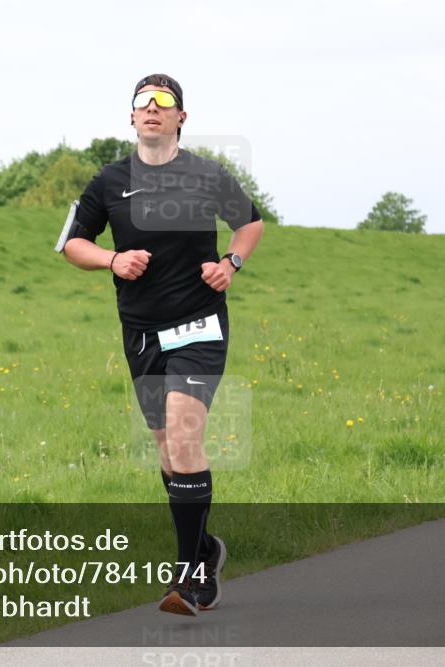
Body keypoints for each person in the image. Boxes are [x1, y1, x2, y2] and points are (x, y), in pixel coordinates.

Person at [63, 74, 264, 616]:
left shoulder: (206, 174)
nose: (152, 109)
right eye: (142, 103)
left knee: (183, 430)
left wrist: (231, 264)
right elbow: (72, 243)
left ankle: (191, 576)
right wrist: (111, 259)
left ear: (181, 117)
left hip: (199, 326)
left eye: (164, 102)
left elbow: (250, 224)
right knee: (168, 453)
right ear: (131, 118)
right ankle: (206, 548)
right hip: (141, 332)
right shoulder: (109, 181)